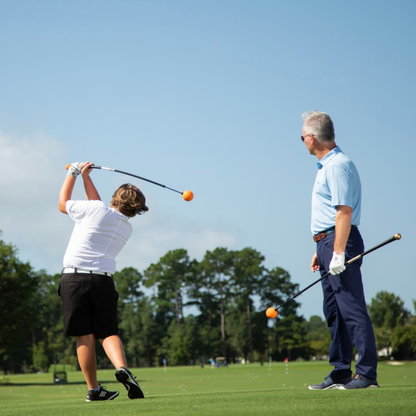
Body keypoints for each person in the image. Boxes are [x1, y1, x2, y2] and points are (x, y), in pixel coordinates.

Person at [301, 112, 378, 390]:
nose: (303, 142)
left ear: (311, 137)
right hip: (327, 243)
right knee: (334, 311)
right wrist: (320, 247)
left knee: (352, 307)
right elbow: (328, 215)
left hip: (339, 243)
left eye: (302, 137)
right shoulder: (326, 166)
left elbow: (344, 212)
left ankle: (367, 373)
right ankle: (341, 371)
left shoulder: (336, 166)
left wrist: (337, 252)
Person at [58, 161, 148, 401]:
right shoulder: (126, 227)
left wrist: (73, 174)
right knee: (108, 331)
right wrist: (87, 178)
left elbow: (62, 205)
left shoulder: (96, 210)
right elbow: (97, 205)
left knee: (84, 335)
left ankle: (94, 389)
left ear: (115, 198)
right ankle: (122, 367)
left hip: (74, 280)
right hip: (103, 282)